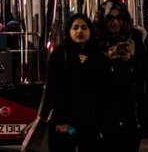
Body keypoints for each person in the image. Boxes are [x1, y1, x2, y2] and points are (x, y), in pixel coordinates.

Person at [40, 13, 109, 152]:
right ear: (69, 31)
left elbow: (103, 88)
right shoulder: (60, 55)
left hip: (90, 123)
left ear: (90, 31)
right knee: (65, 146)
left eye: (84, 27)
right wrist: (60, 119)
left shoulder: (98, 55)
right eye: (75, 27)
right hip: (66, 123)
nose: (79, 31)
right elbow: (53, 89)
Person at [95, 0, 148, 150]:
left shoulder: (135, 38)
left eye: (119, 18)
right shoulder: (96, 41)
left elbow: (146, 72)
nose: (115, 23)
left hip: (130, 112)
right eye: (110, 18)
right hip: (104, 112)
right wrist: (107, 58)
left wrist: (130, 59)